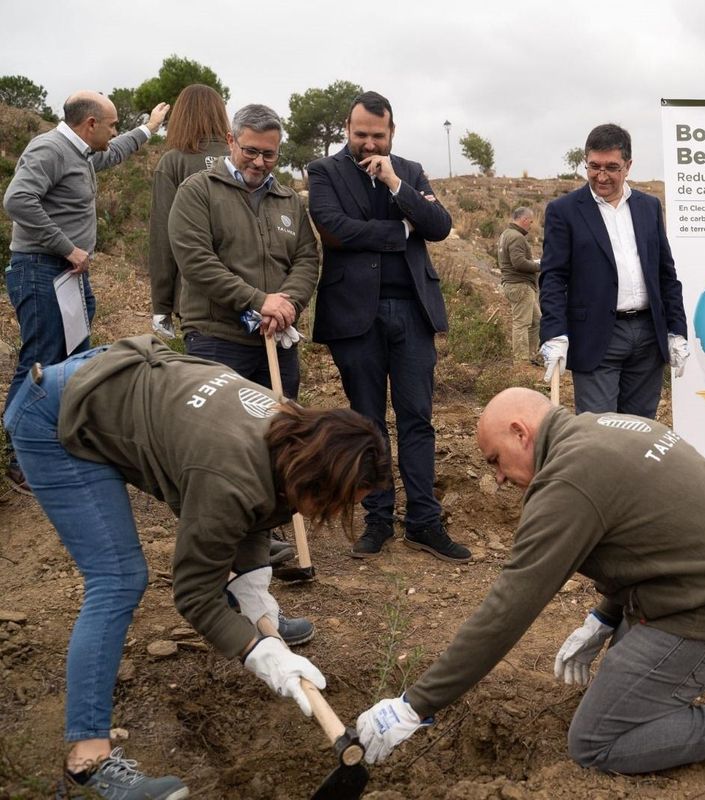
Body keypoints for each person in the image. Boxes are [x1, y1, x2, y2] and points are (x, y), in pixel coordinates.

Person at [354, 388, 705, 800]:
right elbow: (654, 533)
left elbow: (508, 607)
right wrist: (606, 616)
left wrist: (415, 705)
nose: (498, 477)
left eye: (496, 460)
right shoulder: (605, 425)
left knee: (598, 741)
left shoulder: (567, 480)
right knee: (628, 646)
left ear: (521, 433)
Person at [2, 335, 389, 800]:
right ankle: (88, 763)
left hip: (114, 384)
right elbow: (194, 594)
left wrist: (253, 591)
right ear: (315, 477)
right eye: (338, 500)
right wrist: (258, 650)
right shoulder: (226, 473)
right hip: (56, 415)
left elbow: (265, 503)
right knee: (118, 579)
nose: (330, 512)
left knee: (226, 591)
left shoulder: (293, 433)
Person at [307, 90, 469, 562]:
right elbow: (333, 229)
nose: (369, 144)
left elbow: (438, 226)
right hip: (355, 316)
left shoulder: (410, 172)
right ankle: (378, 520)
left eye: (378, 136)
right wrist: (400, 231)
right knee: (367, 421)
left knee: (417, 418)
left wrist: (398, 186)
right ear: (347, 129)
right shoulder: (324, 172)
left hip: (413, 313)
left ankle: (423, 520)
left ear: (391, 133)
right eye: (361, 135)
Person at [2, 90, 168, 493]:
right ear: (90, 124)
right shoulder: (50, 149)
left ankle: (60, 438)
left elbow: (113, 153)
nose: (114, 131)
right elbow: (17, 199)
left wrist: (147, 129)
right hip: (42, 269)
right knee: (41, 358)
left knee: (72, 357)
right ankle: (19, 457)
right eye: (111, 124)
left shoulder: (82, 153)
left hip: (65, 274)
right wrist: (67, 246)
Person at [538, 123, 689, 418]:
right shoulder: (565, 211)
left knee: (639, 431)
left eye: (611, 167)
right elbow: (554, 277)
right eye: (593, 167)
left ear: (628, 166)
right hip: (596, 337)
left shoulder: (648, 207)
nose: (601, 176)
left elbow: (665, 274)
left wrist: (676, 329)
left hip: (647, 336)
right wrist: (554, 333)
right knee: (600, 433)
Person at [168, 103, 317, 400]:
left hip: (276, 339)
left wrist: (286, 306)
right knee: (219, 436)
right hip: (217, 339)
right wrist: (259, 302)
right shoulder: (198, 191)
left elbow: (307, 259)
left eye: (269, 154)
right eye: (250, 151)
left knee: (281, 436)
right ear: (231, 140)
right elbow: (197, 262)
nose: (259, 162)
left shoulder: (288, 200)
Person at [148, 84, 230, 339]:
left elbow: (163, 237)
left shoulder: (173, 162)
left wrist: (161, 305)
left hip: (193, 296)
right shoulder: (243, 158)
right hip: (248, 292)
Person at [498, 206, 541, 366]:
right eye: (530, 221)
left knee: (536, 321)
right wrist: (540, 265)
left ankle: (531, 355)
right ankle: (521, 361)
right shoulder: (516, 237)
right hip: (520, 286)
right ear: (523, 220)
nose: (531, 225)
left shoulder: (506, 234)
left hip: (515, 285)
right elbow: (519, 263)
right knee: (522, 323)